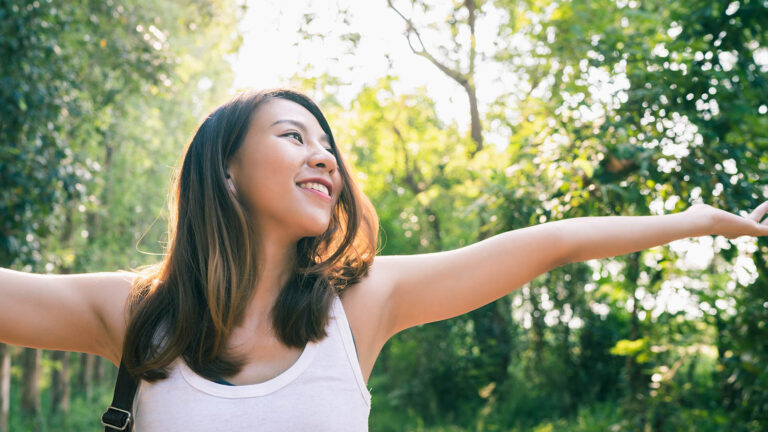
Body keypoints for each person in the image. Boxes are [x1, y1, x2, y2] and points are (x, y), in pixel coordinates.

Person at [1, 88, 767, 431]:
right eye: (293, 135)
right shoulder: (139, 314)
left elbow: (548, 245)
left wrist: (693, 223)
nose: (323, 155)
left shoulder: (360, 304)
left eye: (327, 143)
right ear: (226, 170)